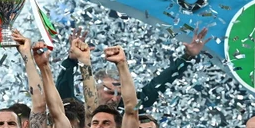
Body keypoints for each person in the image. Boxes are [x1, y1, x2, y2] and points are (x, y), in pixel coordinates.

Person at [55, 26, 210, 114]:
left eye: (119, 94)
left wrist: (186, 58)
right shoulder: (79, 111)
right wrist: (72, 60)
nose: (115, 99)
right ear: (94, 89)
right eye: (110, 92)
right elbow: (63, 95)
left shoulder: (128, 112)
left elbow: (155, 87)